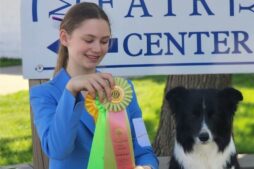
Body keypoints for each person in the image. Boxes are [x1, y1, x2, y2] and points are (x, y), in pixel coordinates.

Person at [30, 2, 158, 169]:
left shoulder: (122, 89)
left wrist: (147, 167)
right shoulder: (44, 94)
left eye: (104, 41)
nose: (97, 48)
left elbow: (143, 148)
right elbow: (57, 150)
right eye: (89, 40)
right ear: (64, 38)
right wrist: (71, 91)